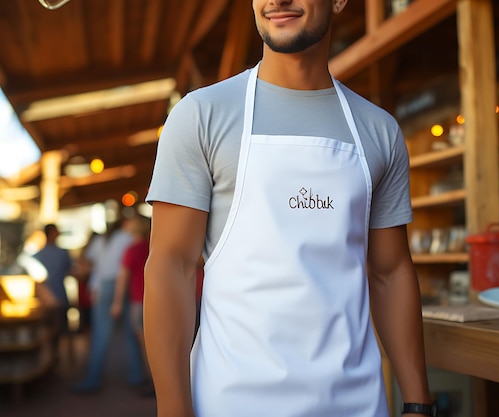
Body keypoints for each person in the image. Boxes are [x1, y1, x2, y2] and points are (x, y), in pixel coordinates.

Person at [144, 0, 434, 416]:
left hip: (356, 404)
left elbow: (390, 272)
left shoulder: (378, 131)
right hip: (230, 402)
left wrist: (418, 403)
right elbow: (171, 266)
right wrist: (173, 410)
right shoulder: (201, 116)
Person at [72, 217, 147, 393]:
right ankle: (136, 376)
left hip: (104, 285)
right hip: (123, 284)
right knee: (131, 332)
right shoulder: (128, 239)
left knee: (100, 333)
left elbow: (89, 264)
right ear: (123, 224)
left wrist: (94, 286)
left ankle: (93, 378)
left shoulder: (100, 240)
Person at [110, 215, 153, 395]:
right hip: (155, 301)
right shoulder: (152, 247)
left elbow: (123, 278)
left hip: (138, 303)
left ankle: (155, 385)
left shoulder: (132, 249)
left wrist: (117, 303)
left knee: (147, 348)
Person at [33, 224, 73, 336]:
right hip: (57, 298)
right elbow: (71, 271)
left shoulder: (38, 255)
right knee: (60, 332)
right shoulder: (62, 253)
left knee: (48, 333)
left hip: (45, 301)